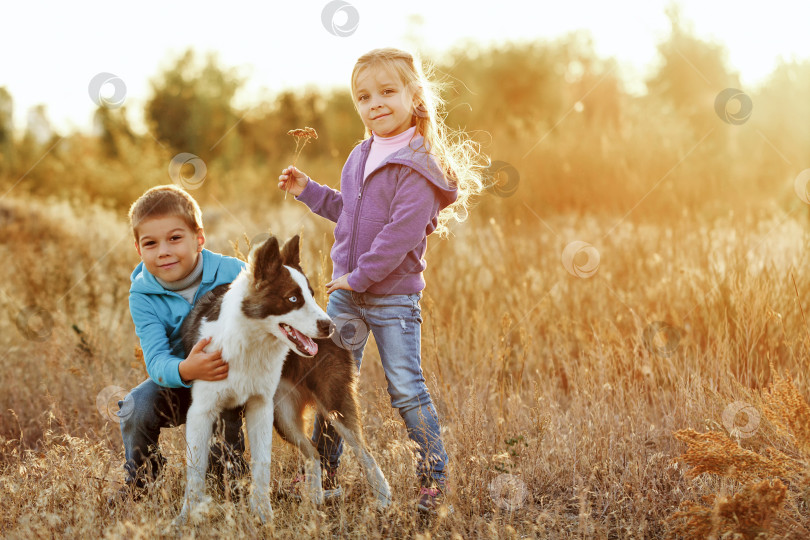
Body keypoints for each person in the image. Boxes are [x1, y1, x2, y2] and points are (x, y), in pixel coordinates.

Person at [278, 47, 485, 513]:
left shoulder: (420, 164)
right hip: (349, 297)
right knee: (326, 380)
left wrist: (358, 277)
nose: (375, 104)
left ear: (414, 95)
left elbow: (399, 236)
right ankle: (324, 472)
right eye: (364, 96)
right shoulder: (361, 154)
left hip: (391, 301)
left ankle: (433, 479)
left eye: (387, 92)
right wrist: (308, 190)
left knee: (406, 389)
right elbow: (346, 212)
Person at [112, 184, 247, 503]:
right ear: (138, 249)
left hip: (232, 375)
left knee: (221, 413)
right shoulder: (142, 294)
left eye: (175, 238)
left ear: (199, 238)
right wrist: (186, 369)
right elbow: (156, 360)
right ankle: (141, 477)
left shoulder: (235, 272)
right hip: (180, 378)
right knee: (135, 406)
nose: (164, 251)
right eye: (151, 243)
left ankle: (228, 477)